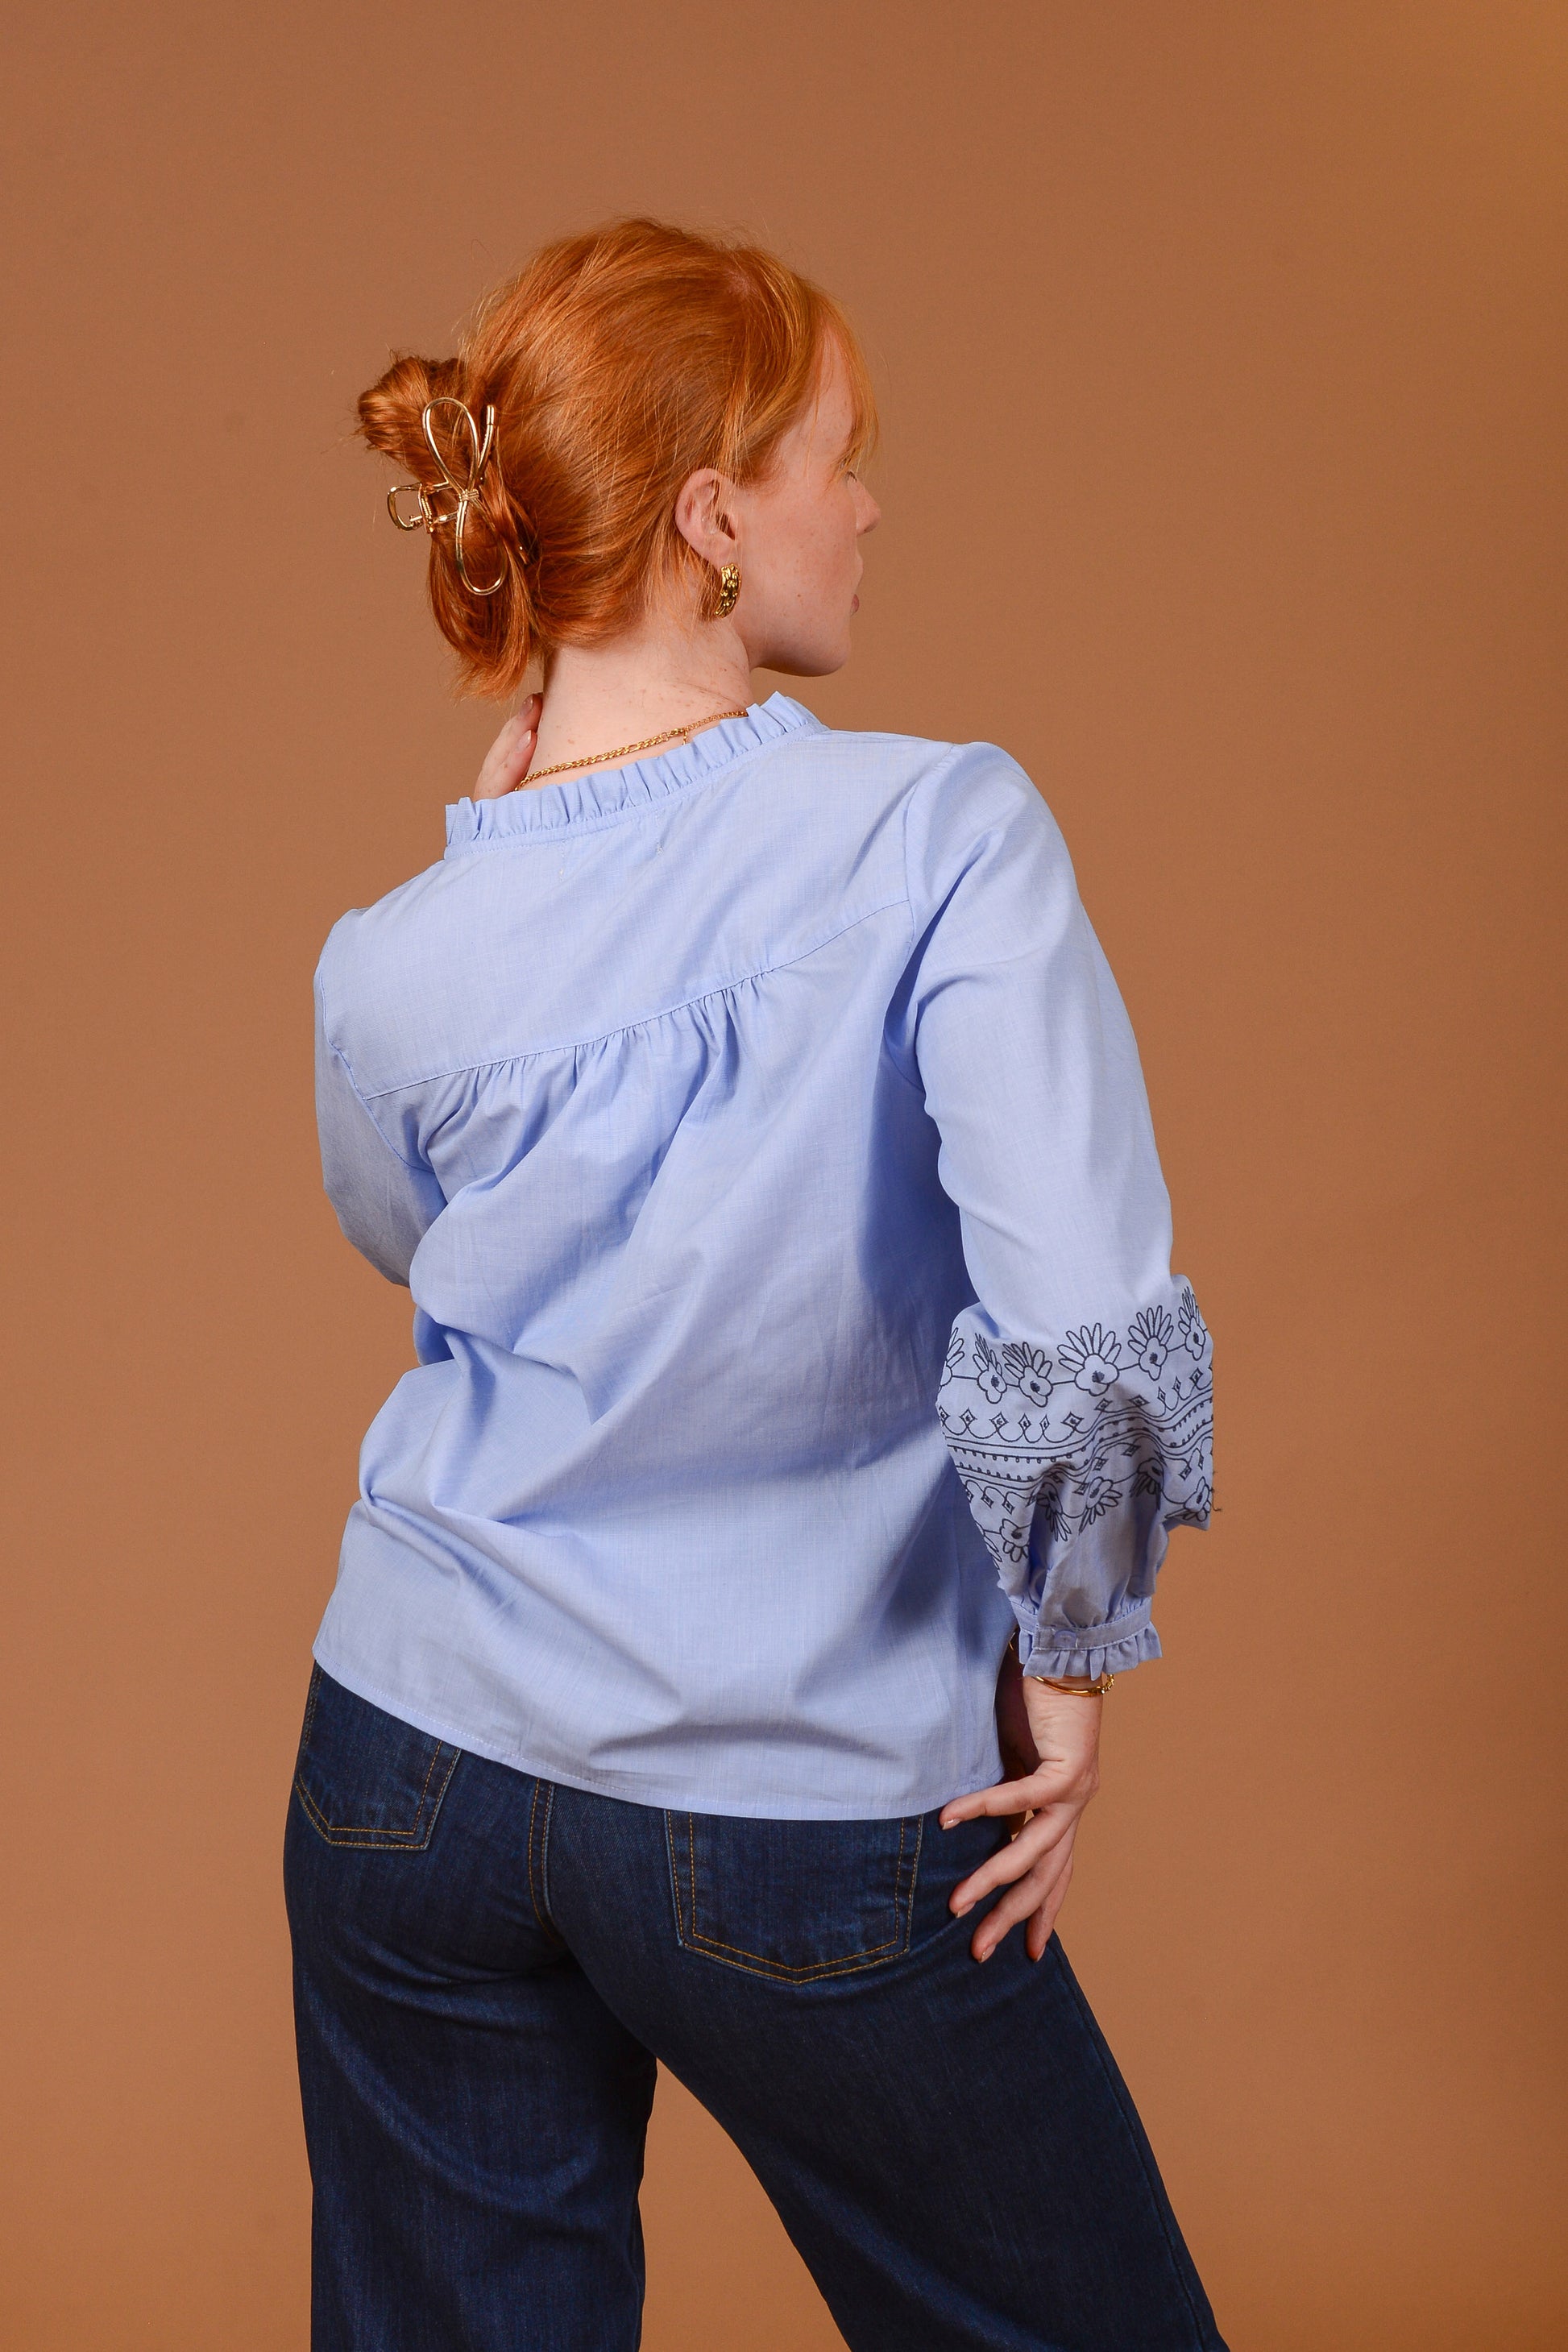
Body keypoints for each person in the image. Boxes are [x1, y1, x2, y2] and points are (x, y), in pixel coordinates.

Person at [286, 216, 1223, 2352]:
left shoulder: (390, 952)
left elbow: (423, 1251)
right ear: (714, 518)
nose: (866, 505)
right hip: (795, 1784)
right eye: (837, 456)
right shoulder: (939, 835)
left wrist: (511, 876)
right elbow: (1079, 1303)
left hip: (405, 1766)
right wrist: (1068, 1659)